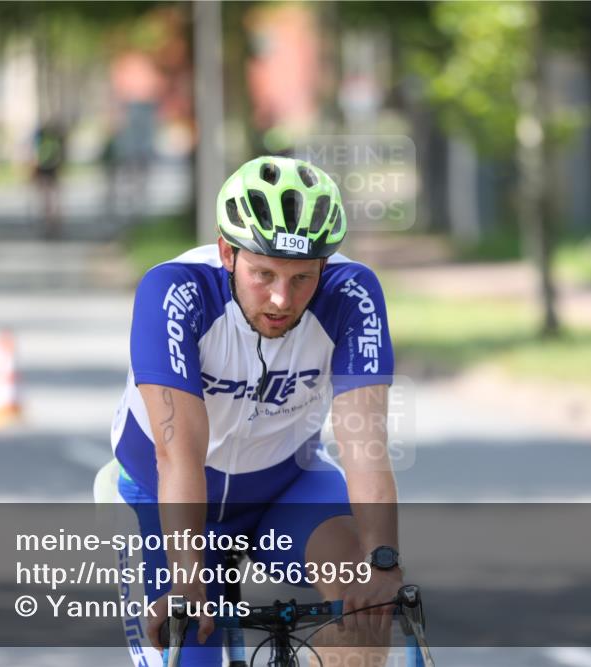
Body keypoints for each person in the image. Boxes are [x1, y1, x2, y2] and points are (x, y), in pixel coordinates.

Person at [110, 156, 401, 665]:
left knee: (365, 613)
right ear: (228, 252)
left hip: (283, 486)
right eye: (263, 273)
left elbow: (365, 446)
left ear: (324, 266)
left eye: (302, 278)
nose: (281, 299)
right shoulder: (175, 291)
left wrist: (383, 561)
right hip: (167, 492)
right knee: (188, 644)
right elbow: (177, 456)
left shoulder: (352, 294)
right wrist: (188, 580)